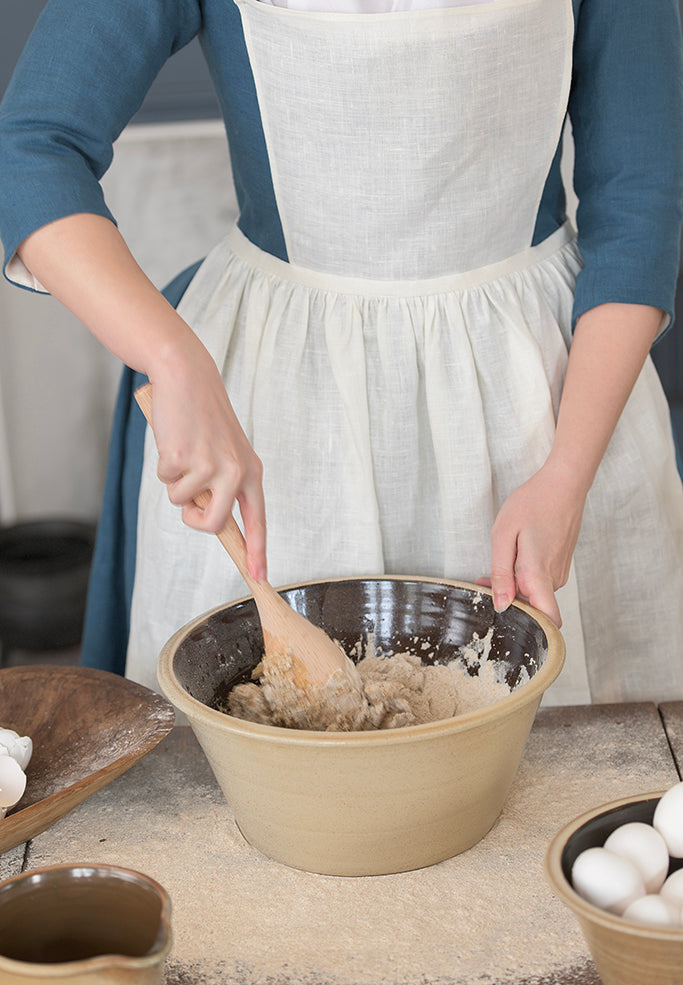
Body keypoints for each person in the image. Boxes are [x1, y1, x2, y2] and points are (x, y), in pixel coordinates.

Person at [0, 0, 682, 705]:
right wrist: (172, 357)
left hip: (552, 400)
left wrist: (567, 474)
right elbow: (33, 146)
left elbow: (638, 197)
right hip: (276, 396)